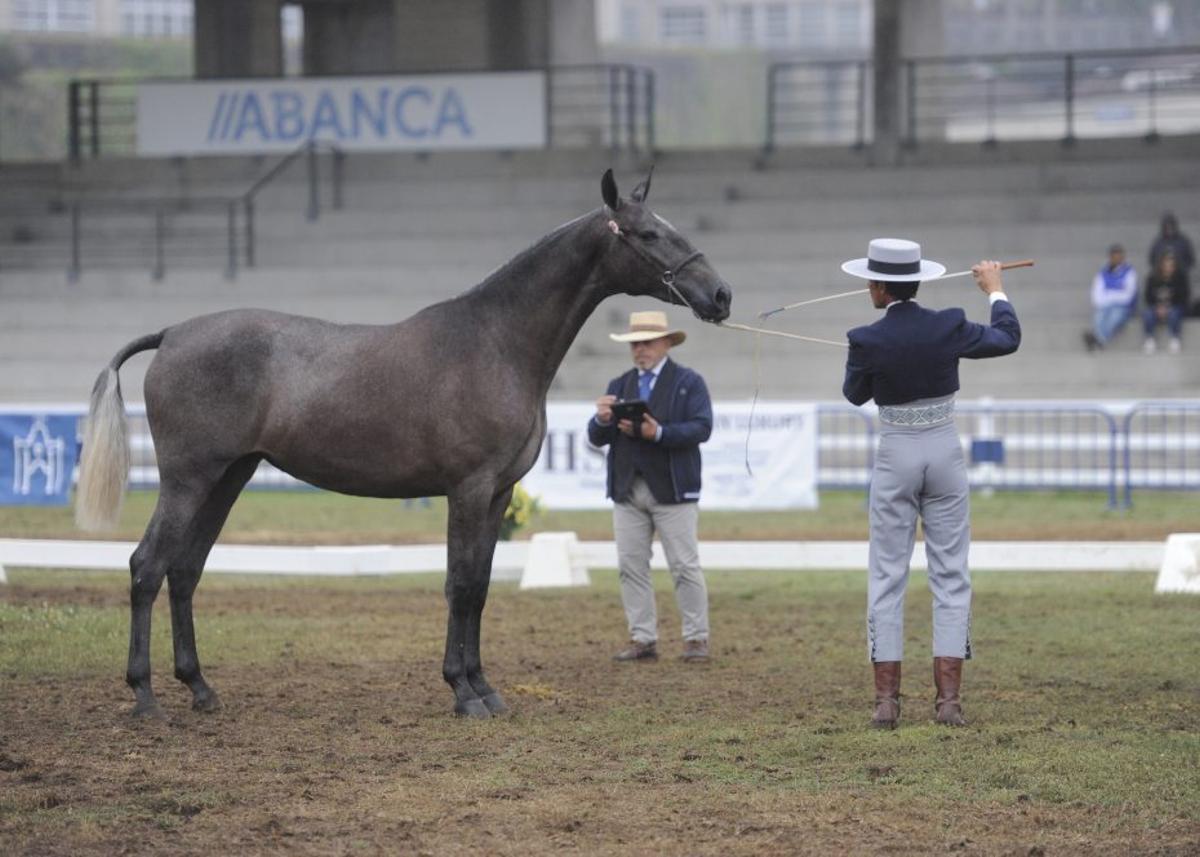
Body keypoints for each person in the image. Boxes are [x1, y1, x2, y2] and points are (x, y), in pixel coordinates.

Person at [841, 238, 1021, 729]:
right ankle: (948, 703)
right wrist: (997, 289)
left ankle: (887, 703)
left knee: (887, 574)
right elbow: (1007, 338)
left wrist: (869, 360)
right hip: (944, 450)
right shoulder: (949, 324)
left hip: (897, 450)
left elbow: (854, 394)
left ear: (879, 287)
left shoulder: (865, 337)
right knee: (951, 573)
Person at [588, 310, 713, 663]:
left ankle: (696, 637)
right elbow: (597, 437)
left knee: (684, 566)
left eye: (646, 343)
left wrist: (657, 433)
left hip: (673, 489)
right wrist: (601, 419)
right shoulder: (619, 385)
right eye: (635, 344)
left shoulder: (689, 382)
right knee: (630, 566)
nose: (640, 349)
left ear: (665, 344)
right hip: (629, 488)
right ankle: (643, 637)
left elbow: (702, 428)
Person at [1083, 244, 1137, 351]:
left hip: (1123, 307)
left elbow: (1128, 295)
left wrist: (1110, 296)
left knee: (1114, 316)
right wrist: (1112, 297)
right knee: (1099, 316)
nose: (1116, 259)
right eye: (1114, 256)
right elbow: (1097, 295)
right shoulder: (1102, 273)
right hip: (1105, 305)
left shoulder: (1130, 272)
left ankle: (1098, 339)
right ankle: (1099, 342)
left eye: (1119, 256)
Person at [1141, 252, 1189, 354]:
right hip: (1157, 307)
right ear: (1161, 266)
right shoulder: (1153, 278)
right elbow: (1147, 296)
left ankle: (1174, 338)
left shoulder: (1180, 278)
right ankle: (1149, 339)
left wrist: (1168, 307)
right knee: (1148, 314)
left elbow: (1183, 297)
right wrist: (1158, 306)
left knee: (1174, 314)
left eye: (1171, 265)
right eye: (1166, 265)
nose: (1168, 268)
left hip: (1174, 306)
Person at [1148, 212, 1194, 281]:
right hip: (1161, 277)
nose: (1169, 229)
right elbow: (1152, 258)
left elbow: (1190, 258)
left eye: (1171, 226)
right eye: (1167, 226)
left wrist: (1184, 269)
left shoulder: (1183, 241)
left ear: (1175, 226)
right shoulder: (1158, 243)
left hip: (1180, 277)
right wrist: (1158, 270)